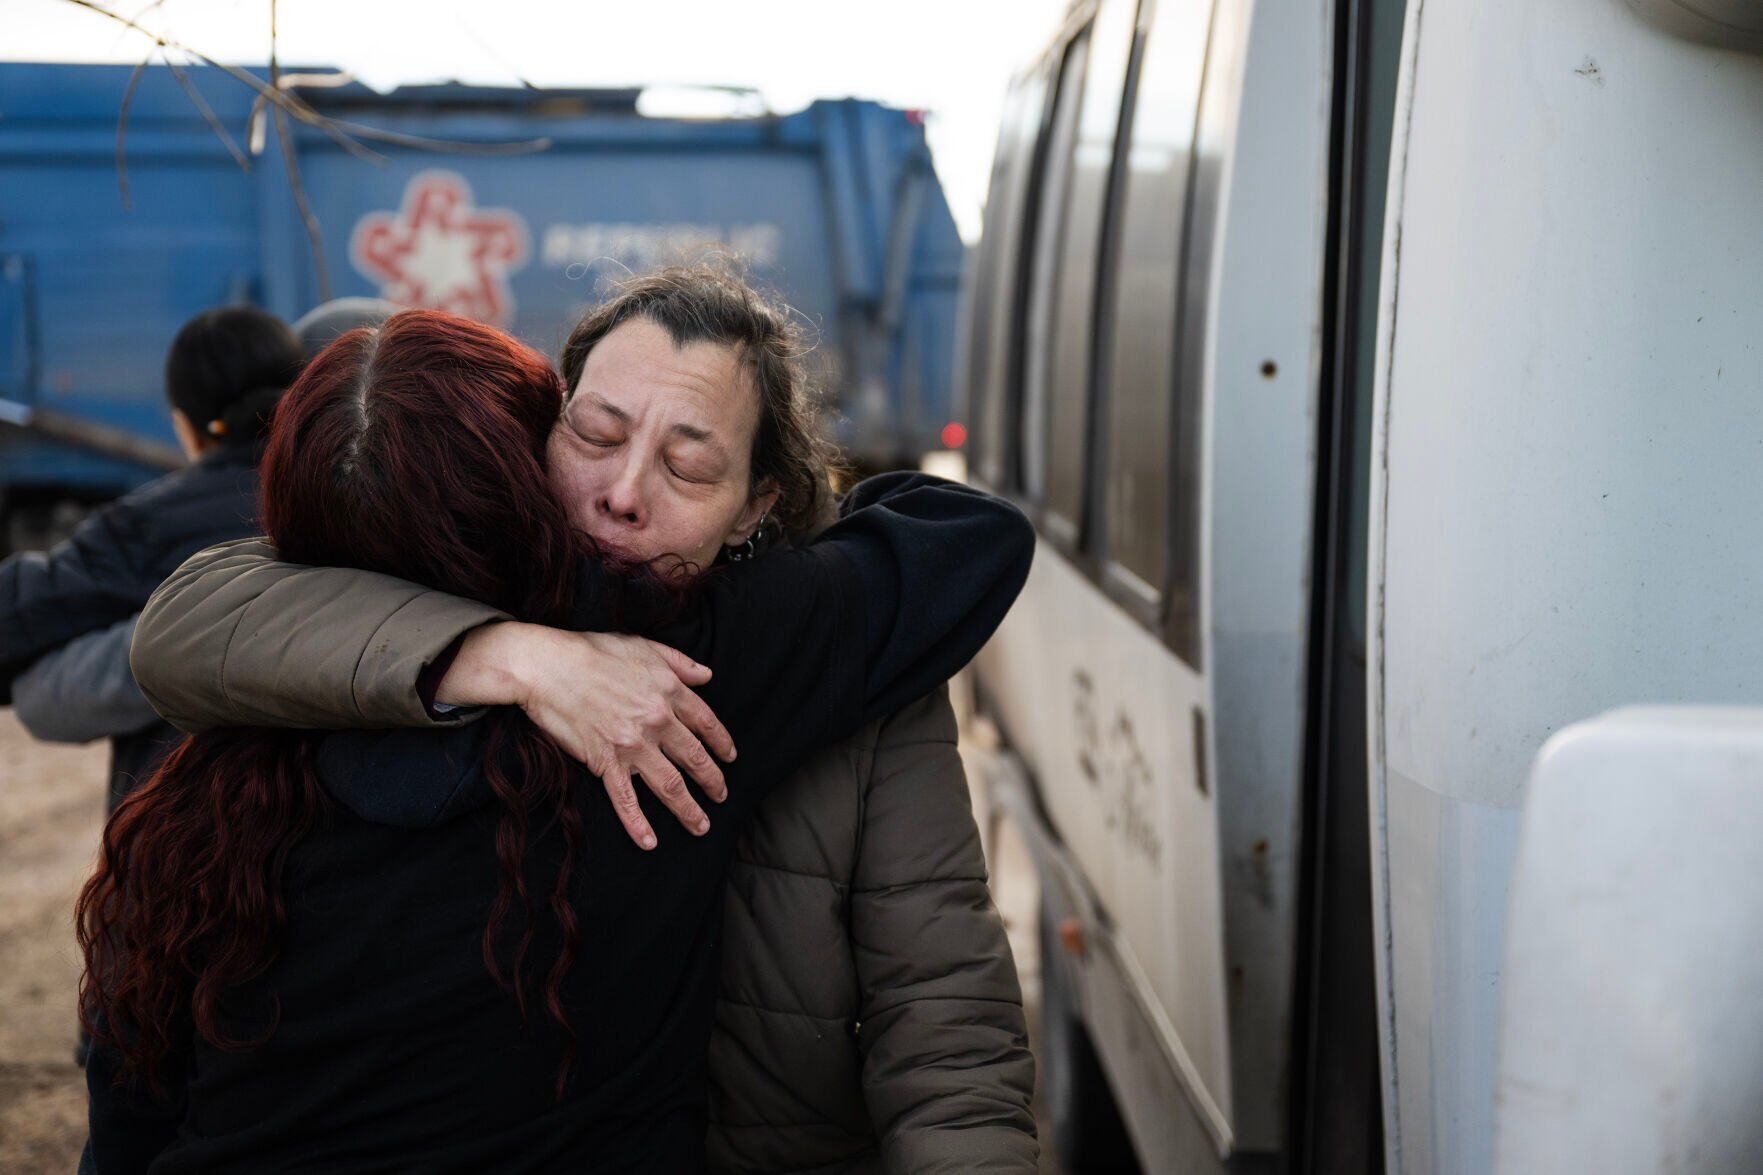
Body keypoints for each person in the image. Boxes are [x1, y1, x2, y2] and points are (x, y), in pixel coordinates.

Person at [128, 266, 1041, 1172]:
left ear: (754, 505)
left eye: (690, 466)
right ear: (536, 434)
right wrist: (505, 653)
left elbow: (943, 1022)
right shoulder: (391, 610)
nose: (624, 492)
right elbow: (181, 621)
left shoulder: (728, 647)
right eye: (595, 435)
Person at [8, 300, 397, 779]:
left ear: (184, 424)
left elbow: (36, 649)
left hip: (187, 805)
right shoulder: (375, 510)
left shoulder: (148, 528)